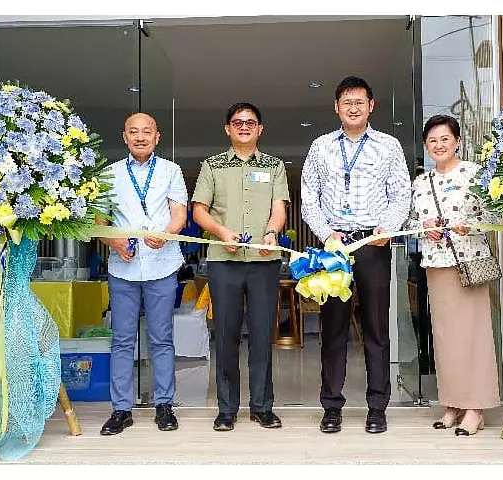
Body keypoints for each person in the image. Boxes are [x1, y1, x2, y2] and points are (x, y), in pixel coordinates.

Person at [300, 76, 411, 434]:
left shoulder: (389, 146)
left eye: (359, 102)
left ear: (371, 106)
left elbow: (401, 194)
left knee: (376, 328)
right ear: (336, 107)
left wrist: (387, 228)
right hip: (334, 247)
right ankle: (331, 406)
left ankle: (377, 407)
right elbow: (309, 198)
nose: (353, 107)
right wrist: (326, 235)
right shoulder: (320, 146)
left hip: (372, 245)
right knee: (333, 329)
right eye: (347, 102)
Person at [192, 102, 290, 432]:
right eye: (237, 122)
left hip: (263, 261)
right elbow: (199, 211)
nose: (244, 126)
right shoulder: (212, 165)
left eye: (250, 122)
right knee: (226, 335)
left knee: (262, 335)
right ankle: (226, 409)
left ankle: (262, 407)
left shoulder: (275, 166)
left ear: (260, 129)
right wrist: (221, 232)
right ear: (227, 129)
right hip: (224, 261)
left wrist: (271, 232)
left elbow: (279, 208)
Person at [406, 114, 501, 436]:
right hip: (436, 265)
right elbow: (408, 223)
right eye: (432, 140)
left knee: (473, 336)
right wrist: (424, 227)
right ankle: (452, 404)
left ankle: (475, 407)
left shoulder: (476, 174)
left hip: (469, 263)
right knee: (445, 338)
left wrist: (469, 225)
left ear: (457, 141)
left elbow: (496, 214)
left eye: (445, 139)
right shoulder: (421, 183)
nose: (439, 145)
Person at [95, 112, 188, 435]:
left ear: (157, 137)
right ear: (124, 137)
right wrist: (114, 242)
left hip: (162, 264)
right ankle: (121, 409)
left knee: (161, 338)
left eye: (146, 131)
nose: (140, 137)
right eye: (133, 132)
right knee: (122, 339)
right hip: (123, 267)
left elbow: (179, 215)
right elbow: (99, 222)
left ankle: (164, 405)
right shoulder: (108, 174)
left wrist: (167, 234)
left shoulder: (171, 171)